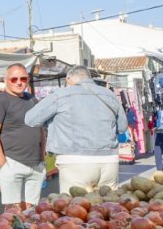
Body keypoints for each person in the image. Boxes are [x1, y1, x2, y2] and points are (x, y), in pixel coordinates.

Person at [24, 66, 128, 195]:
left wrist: (51, 122)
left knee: (76, 208)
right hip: (108, 160)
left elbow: (30, 119)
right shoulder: (109, 95)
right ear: (89, 78)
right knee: (107, 208)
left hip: (74, 161)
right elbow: (122, 127)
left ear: (68, 79)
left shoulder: (60, 95)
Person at [0, 63, 47, 210]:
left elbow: (41, 130)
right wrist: (3, 165)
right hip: (12, 161)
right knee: (13, 211)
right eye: (14, 79)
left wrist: (42, 159)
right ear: (6, 80)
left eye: (23, 78)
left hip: (35, 164)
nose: (19, 82)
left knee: (32, 211)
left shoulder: (32, 100)